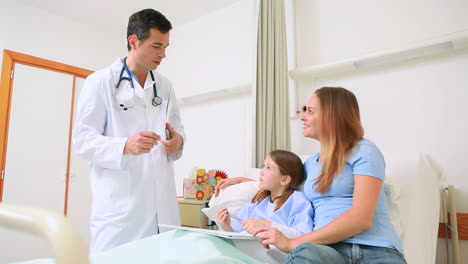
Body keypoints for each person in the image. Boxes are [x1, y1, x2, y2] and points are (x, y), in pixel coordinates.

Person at [219, 87, 406, 264]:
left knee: (302, 248)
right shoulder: (309, 164)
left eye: (310, 111)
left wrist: (292, 242)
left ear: (332, 115)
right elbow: (282, 182)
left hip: (377, 250)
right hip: (328, 251)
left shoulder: (364, 151)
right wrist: (242, 181)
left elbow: (361, 218)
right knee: (305, 253)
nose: (303, 117)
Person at [73, 9, 185, 253]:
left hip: (162, 208)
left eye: (166, 47)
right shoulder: (100, 82)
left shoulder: (164, 86)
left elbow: (177, 128)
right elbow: (82, 140)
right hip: (121, 210)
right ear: (134, 41)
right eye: (157, 46)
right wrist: (124, 146)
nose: (163, 54)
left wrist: (177, 142)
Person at [217, 150, 313, 238]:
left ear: (284, 180)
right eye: (264, 166)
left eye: (268, 168)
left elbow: (302, 235)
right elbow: (238, 236)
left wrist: (266, 224)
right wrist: (227, 227)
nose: (261, 172)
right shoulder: (257, 200)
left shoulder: (297, 201)